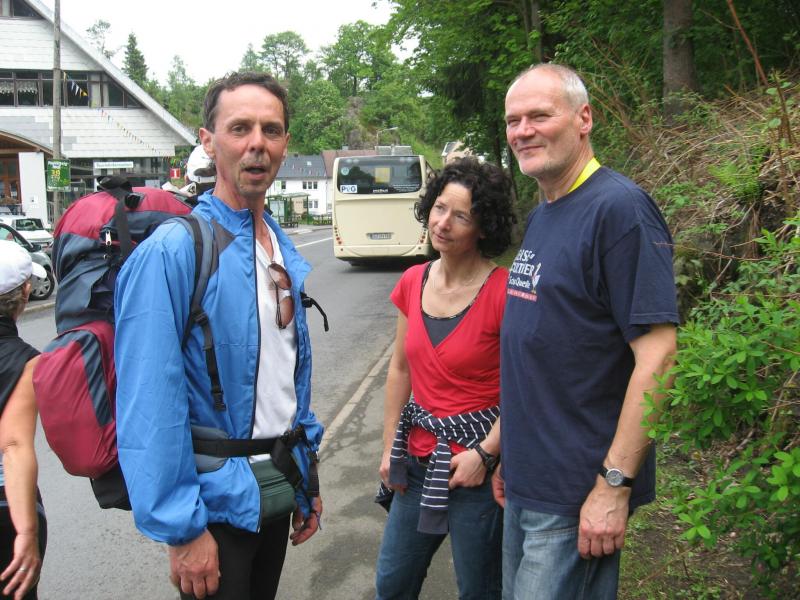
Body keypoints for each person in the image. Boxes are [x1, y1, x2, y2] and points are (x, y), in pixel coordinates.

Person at [114, 71, 324, 600]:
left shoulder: (278, 244)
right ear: (208, 142)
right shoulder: (173, 251)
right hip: (213, 509)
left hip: (275, 485)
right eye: (240, 128)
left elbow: (286, 379)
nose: (257, 144)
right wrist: (182, 530)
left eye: (270, 130)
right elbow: (149, 404)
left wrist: (306, 479)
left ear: (285, 143)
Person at [496, 62, 679, 599]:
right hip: (529, 482)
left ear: (584, 119)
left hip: (576, 493)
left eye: (539, 116)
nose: (522, 131)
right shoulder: (545, 212)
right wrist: (508, 455)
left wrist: (614, 485)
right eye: (513, 120)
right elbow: (544, 352)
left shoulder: (619, 210)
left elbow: (660, 355)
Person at [375, 157, 516, 600]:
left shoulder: (505, 292)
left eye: (462, 216)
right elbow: (400, 369)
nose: (443, 223)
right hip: (417, 461)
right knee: (392, 583)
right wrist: (389, 448)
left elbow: (525, 386)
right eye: (439, 208)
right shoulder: (412, 281)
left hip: (477, 472)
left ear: (484, 228)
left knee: (480, 591)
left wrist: (487, 453)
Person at [0, 240, 47, 600]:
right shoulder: (26, 360)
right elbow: (14, 445)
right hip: (6, 508)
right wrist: (26, 531)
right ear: (26, 292)